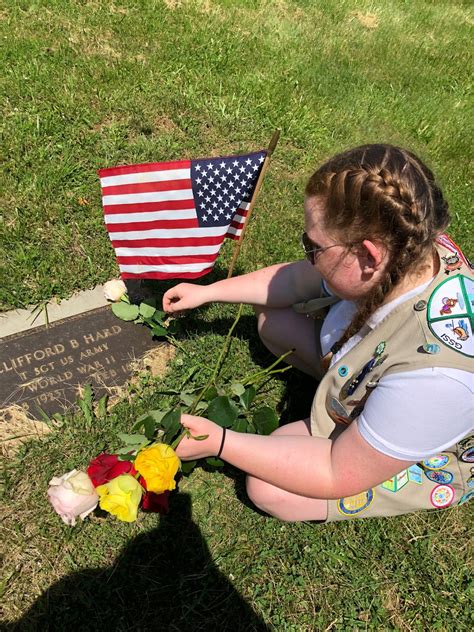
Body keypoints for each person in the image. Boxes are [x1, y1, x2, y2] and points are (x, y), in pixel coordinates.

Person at [162, 144, 473, 523]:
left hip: (423, 446)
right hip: (374, 368)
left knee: (268, 487)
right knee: (271, 323)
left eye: (314, 246)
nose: (307, 254)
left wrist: (222, 442)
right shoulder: (408, 242)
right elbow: (295, 281)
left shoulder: (436, 379)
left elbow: (335, 473)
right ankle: (346, 398)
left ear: (368, 256)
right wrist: (208, 293)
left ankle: (371, 438)